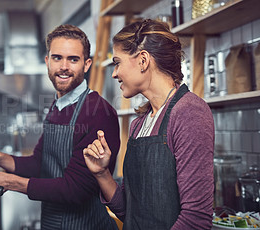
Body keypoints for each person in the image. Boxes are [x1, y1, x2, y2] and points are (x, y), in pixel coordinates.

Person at [0, 24, 120, 230]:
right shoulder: (57, 106)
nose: (63, 66)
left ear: (87, 65)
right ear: (47, 61)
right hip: (53, 223)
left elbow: (76, 189)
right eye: (57, 58)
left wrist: (9, 182)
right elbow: (40, 163)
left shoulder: (98, 112)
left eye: (73, 59)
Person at [83, 19, 214, 230]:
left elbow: (196, 219)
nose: (114, 73)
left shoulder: (189, 112)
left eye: (118, 62)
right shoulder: (139, 125)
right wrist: (101, 173)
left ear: (143, 60)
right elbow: (130, 212)